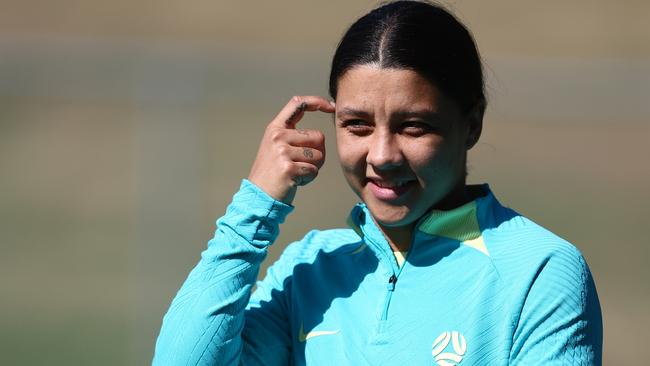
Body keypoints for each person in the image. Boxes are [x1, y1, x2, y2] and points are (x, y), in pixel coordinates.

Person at [152, 1, 603, 365]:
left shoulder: (539, 271)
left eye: (413, 126)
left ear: (472, 124)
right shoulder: (308, 269)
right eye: (357, 125)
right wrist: (254, 207)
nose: (382, 156)